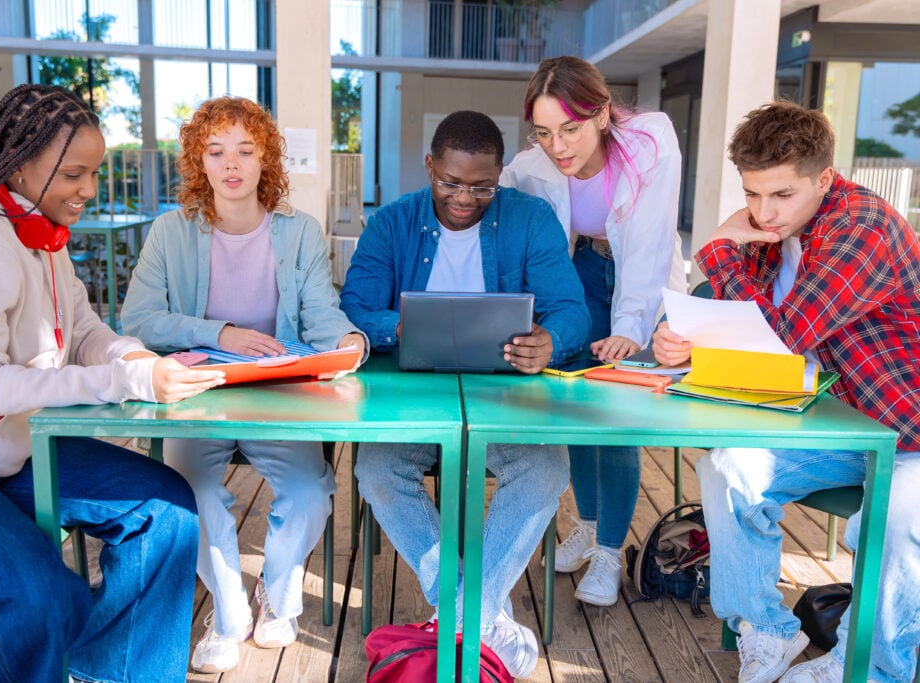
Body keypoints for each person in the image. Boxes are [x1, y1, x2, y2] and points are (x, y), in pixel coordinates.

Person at [0, 84, 222, 683]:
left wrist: (141, 360)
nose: (90, 190)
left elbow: (86, 331)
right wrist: (122, 378)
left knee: (166, 510)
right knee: (34, 593)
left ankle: (108, 673)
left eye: (95, 173)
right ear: (19, 165)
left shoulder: (39, 229)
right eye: (74, 174)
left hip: (9, 450)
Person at [652, 101, 920, 683]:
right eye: (751, 194)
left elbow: (780, 335)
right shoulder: (777, 231)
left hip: (908, 432)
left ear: (825, 178)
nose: (763, 211)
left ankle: (870, 668)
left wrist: (720, 243)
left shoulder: (862, 228)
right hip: (837, 424)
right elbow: (743, 324)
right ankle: (768, 631)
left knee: (900, 518)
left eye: (782, 195)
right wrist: (685, 340)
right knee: (729, 468)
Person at [121, 96, 367, 674]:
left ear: (266, 160)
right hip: (197, 392)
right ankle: (228, 615)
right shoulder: (168, 232)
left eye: (245, 150)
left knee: (310, 491)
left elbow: (321, 311)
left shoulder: (300, 232)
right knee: (195, 494)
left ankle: (277, 597)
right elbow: (138, 320)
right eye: (215, 151)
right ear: (198, 162)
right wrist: (220, 332)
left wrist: (349, 340)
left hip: (276, 393)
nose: (231, 164)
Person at [340, 110, 589, 679]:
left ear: (501, 174)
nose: (465, 197)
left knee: (546, 470)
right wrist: (397, 328)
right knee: (377, 471)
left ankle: (457, 616)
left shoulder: (531, 219)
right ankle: (479, 619)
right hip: (411, 396)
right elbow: (354, 305)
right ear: (429, 165)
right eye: (450, 182)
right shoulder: (393, 222)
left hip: (505, 395)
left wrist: (551, 341)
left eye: (482, 186)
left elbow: (570, 310)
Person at [500, 55, 686, 606]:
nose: (558, 146)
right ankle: (585, 524)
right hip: (581, 273)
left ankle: (608, 550)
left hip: (638, 277)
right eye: (544, 131)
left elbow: (649, 246)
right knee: (579, 403)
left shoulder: (651, 144)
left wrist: (631, 328)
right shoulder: (529, 167)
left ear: (602, 114)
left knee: (616, 413)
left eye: (571, 129)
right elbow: (509, 231)